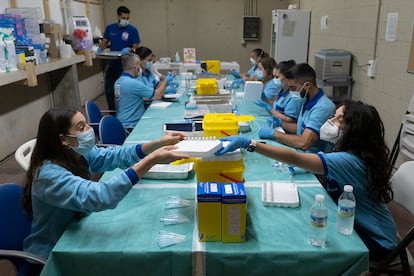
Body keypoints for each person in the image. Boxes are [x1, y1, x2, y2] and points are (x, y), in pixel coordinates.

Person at [216, 101, 397, 261]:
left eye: (338, 119)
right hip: (359, 223)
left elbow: (296, 158)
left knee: (305, 237)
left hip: (376, 240)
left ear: (354, 128)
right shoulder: (361, 154)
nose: (330, 122)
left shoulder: (349, 160)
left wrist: (250, 143)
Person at [21, 107, 188, 275]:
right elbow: (100, 196)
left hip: (75, 231)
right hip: (51, 256)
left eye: (87, 123)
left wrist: (157, 144)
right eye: (81, 127)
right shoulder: (48, 176)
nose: (89, 130)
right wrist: (151, 160)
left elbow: (114, 155)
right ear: (64, 139)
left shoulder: (76, 153)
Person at [258, 63, 336, 153]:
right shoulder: (306, 100)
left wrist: (274, 134)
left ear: (307, 86)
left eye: (293, 88)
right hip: (301, 153)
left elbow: (304, 142)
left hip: (313, 160)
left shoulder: (323, 108)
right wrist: (281, 123)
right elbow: (301, 129)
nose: (291, 92)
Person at [98, 6, 141, 111]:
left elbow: (136, 46)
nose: (125, 20)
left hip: (126, 66)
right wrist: (99, 50)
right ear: (118, 16)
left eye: (127, 18)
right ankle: (112, 112)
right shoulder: (110, 28)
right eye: (123, 18)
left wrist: (130, 49)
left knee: (125, 91)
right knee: (109, 91)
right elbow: (104, 42)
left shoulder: (132, 30)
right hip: (113, 64)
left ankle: (126, 111)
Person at [115, 53, 173, 130]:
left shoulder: (118, 81)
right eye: (139, 66)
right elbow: (157, 95)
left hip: (122, 121)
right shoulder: (133, 83)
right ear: (135, 68)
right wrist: (166, 81)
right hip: (132, 124)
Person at [254, 59, 303, 127]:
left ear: (287, 78)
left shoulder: (293, 97)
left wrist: (269, 109)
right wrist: (265, 99)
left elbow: (290, 120)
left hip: (285, 129)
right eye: (274, 76)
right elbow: (275, 106)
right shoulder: (281, 90)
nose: (274, 80)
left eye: (277, 77)